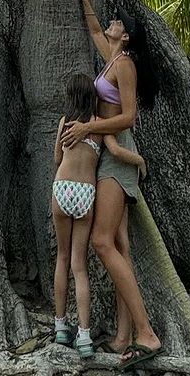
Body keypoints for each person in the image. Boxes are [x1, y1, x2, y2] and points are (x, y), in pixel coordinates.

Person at [62, 0, 163, 371]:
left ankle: (147, 333)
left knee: (102, 242)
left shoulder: (125, 67)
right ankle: (124, 336)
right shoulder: (113, 59)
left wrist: (88, 127)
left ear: (126, 36)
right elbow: (93, 30)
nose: (112, 23)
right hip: (108, 156)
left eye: (118, 22)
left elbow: (129, 115)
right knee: (119, 247)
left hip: (118, 159)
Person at [52, 72, 148, 358]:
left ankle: (60, 326)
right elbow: (117, 151)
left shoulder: (64, 123)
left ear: (70, 97)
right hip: (85, 194)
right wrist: (140, 161)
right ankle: (83, 335)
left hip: (62, 188)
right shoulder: (98, 126)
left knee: (63, 257)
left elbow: (57, 158)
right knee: (80, 265)